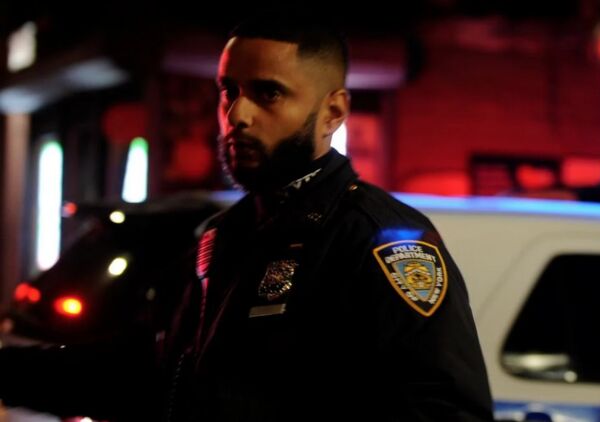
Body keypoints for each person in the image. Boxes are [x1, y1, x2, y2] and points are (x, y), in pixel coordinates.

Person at [0, 11, 493, 422]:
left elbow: (446, 411)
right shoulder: (223, 236)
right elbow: (148, 372)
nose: (237, 114)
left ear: (333, 112)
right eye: (229, 90)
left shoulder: (376, 240)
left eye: (268, 93)